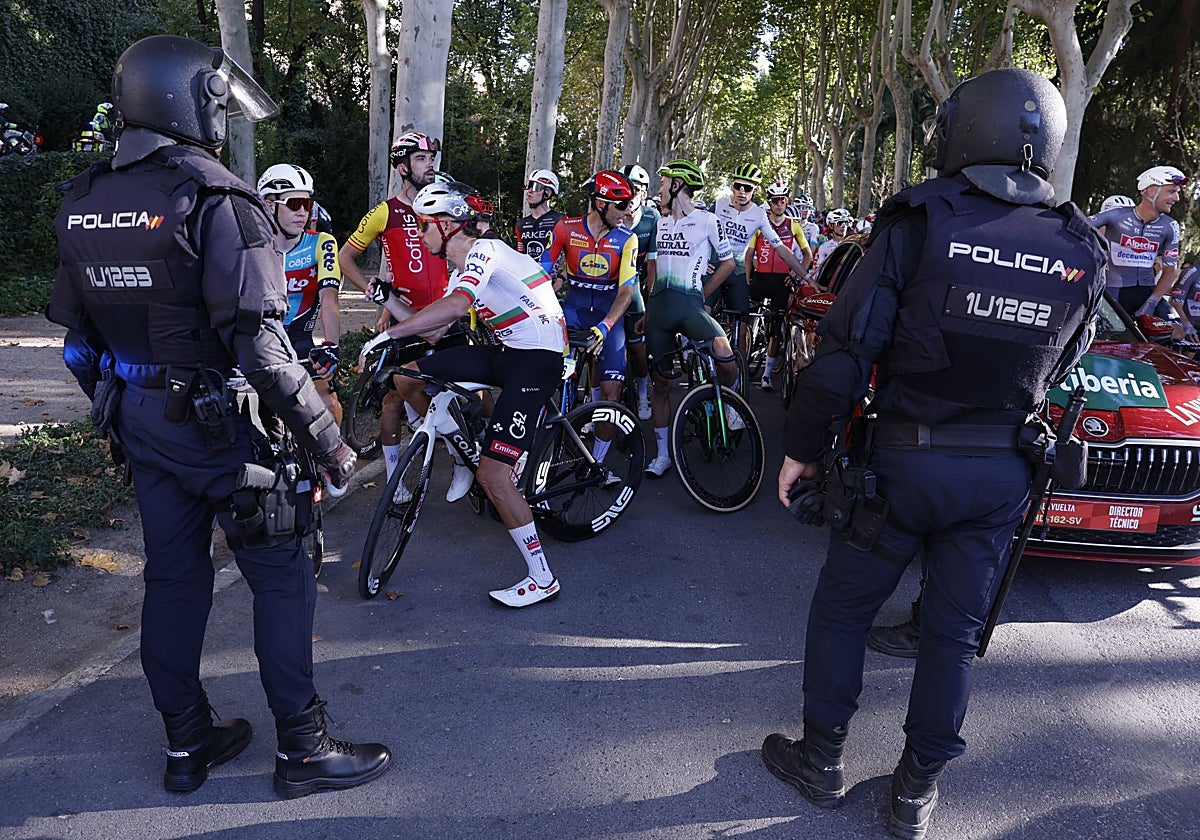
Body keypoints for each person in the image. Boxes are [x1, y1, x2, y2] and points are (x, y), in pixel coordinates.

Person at [760, 68, 1106, 839]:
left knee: (845, 609)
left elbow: (846, 354)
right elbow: (1067, 360)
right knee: (952, 633)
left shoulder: (921, 218)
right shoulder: (1081, 244)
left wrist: (802, 451)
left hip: (905, 463)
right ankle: (916, 792)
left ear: (962, 130)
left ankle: (822, 760)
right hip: (1001, 474)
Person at [47, 34, 390, 799]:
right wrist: (332, 446)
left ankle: (187, 744)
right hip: (222, 427)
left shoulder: (84, 199)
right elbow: (265, 353)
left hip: (139, 421)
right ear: (188, 97)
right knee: (282, 573)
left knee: (172, 578)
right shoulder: (217, 198)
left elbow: (77, 348)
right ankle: (302, 751)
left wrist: (125, 411)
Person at [357, 181, 568, 608]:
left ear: (449, 225)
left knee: (495, 475)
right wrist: (388, 302)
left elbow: (454, 308)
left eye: (423, 224)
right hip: (508, 352)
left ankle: (542, 577)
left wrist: (389, 335)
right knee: (407, 378)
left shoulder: (485, 251)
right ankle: (460, 456)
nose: (417, 233)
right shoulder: (461, 271)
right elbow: (434, 326)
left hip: (538, 359)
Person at [338, 131, 474, 497]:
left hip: (449, 314)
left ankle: (470, 460)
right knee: (396, 395)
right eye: (421, 159)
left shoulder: (444, 203)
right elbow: (345, 257)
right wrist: (378, 295)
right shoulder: (385, 212)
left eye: (431, 158)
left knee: (470, 395)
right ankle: (400, 478)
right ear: (402, 167)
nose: (430, 164)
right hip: (408, 317)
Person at [641, 159, 737, 478]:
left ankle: (728, 407)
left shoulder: (708, 221)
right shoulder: (661, 223)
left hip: (690, 307)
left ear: (678, 186)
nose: (659, 190)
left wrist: (704, 295)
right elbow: (652, 268)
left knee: (725, 357)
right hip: (658, 310)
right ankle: (663, 454)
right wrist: (647, 307)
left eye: (664, 184)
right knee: (662, 385)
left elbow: (727, 262)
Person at [541, 170, 638, 418]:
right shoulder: (566, 228)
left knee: (611, 393)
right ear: (601, 203)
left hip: (607, 318)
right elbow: (540, 273)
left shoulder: (628, 239)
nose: (628, 211)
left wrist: (605, 326)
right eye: (623, 205)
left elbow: (626, 291)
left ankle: (598, 457)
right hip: (572, 311)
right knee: (540, 378)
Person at [256, 164, 344, 436]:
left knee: (328, 402)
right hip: (259, 342)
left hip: (299, 339)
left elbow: (329, 300)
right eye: (295, 203)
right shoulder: (253, 247)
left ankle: (334, 475)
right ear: (270, 205)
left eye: (307, 203)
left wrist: (331, 346)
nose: (303, 212)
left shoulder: (322, 242)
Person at [711, 164, 809, 362]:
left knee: (743, 325)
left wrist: (806, 277)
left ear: (754, 191)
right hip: (715, 266)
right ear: (733, 186)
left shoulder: (759, 215)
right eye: (738, 186)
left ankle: (738, 371)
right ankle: (699, 356)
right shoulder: (718, 205)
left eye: (747, 188)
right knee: (703, 314)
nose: (741, 192)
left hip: (737, 271)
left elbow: (782, 250)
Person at [1090, 164, 1187, 318]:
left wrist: (1152, 302)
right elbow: (1077, 224)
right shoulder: (1116, 215)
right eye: (1171, 192)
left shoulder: (1170, 226)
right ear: (1151, 190)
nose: (1176, 198)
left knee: (1178, 333)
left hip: (1147, 293)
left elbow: (1170, 271)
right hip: (1112, 292)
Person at [747, 179, 813, 391]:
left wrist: (795, 275)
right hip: (760, 278)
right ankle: (740, 360)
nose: (779, 204)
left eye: (783, 200)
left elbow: (807, 255)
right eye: (775, 200)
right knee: (745, 320)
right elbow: (749, 254)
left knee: (776, 329)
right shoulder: (761, 223)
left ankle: (766, 375)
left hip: (781, 282)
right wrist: (747, 277)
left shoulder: (793, 225)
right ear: (770, 202)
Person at [619, 163, 659, 420]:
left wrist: (651, 299)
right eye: (626, 189)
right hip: (611, 285)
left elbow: (653, 263)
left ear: (644, 193)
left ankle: (643, 391)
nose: (630, 195)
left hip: (638, 286)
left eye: (635, 190)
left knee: (637, 349)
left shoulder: (651, 218)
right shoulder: (612, 213)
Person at [514, 168, 563, 263]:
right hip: (529, 276)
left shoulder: (561, 220)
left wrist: (562, 277)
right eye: (529, 186)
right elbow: (520, 255)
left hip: (553, 276)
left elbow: (570, 254)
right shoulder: (521, 224)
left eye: (536, 187)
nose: (529, 191)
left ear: (547, 193)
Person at [812, 208, 854, 274]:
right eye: (840, 223)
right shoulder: (824, 247)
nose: (843, 226)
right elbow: (817, 271)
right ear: (831, 226)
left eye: (846, 223)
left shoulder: (852, 244)